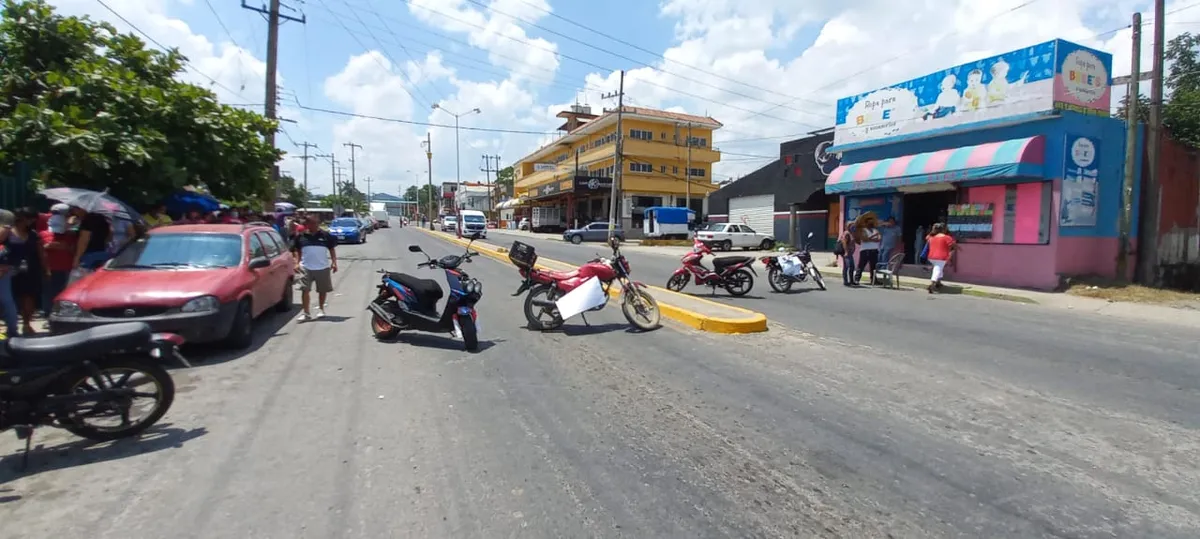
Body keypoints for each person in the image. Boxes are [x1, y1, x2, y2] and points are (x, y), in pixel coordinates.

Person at [290, 213, 337, 321]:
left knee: (322, 290)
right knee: (304, 290)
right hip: (306, 267)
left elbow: (332, 249)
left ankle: (321, 309)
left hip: (322, 267)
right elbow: (296, 250)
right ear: (307, 224)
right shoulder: (301, 236)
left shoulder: (325, 235)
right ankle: (306, 313)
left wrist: (334, 262)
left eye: (316, 223)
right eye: (311, 223)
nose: (315, 225)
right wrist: (296, 263)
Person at [8, 208, 48, 335]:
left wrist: (46, 269)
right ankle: (11, 326)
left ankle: (26, 324)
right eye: (29, 219)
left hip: (31, 270)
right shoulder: (7, 233)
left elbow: (41, 254)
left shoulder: (34, 235)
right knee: (8, 299)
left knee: (29, 297)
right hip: (9, 270)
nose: (31, 222)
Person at [40, 204, 76, 316]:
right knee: (49, 291)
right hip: (50, 267)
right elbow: (41, 250)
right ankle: (49, 312)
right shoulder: (44, 234)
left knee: (64, 291)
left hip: (66, 267)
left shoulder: (71, 235)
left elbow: (74, 249)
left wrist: (65, 247)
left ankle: (62, 312)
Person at [73, 206, 112, 270]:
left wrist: (77, 257)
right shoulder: (104, 220)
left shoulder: (87, 220)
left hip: (88, 255)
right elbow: (109, 236)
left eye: (75, 209)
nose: (75, 212)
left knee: (83, 278)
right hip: (102, 253)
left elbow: (84, 239)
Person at [925, 223, 958, 293]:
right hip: (941, 257)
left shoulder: (931, 237)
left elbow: (927, 238)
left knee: (939, 268)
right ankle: (932, 284)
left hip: (931, 257)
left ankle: (938, 282)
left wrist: (932, 232)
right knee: (937, 269)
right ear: (943, 229)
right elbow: (953, 246)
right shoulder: (946, 237)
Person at [854, 216, 882, 286]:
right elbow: (864, 239)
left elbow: (879, 239)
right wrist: (873, 237)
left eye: (872, 222)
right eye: (869, 222)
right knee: (861, 266)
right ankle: (857, 279)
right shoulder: (863, 230)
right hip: (865, 251)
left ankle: (874, 280)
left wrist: (870, 238)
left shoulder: (876, 230)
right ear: (866, 223)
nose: (871, 223)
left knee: (873, 266)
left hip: (874, 250)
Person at [837, 220, 857, 286]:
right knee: (847, 267)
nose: (853, 226)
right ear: (847, 226)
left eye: (853, 225)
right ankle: (846, 281)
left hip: (850, 253)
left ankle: (851, 281)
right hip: (847, 253)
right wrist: (846, 251)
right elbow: (844, 243)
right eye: (851, 225)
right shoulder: (846, 233)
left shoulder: (851, 233)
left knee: (851, 267)